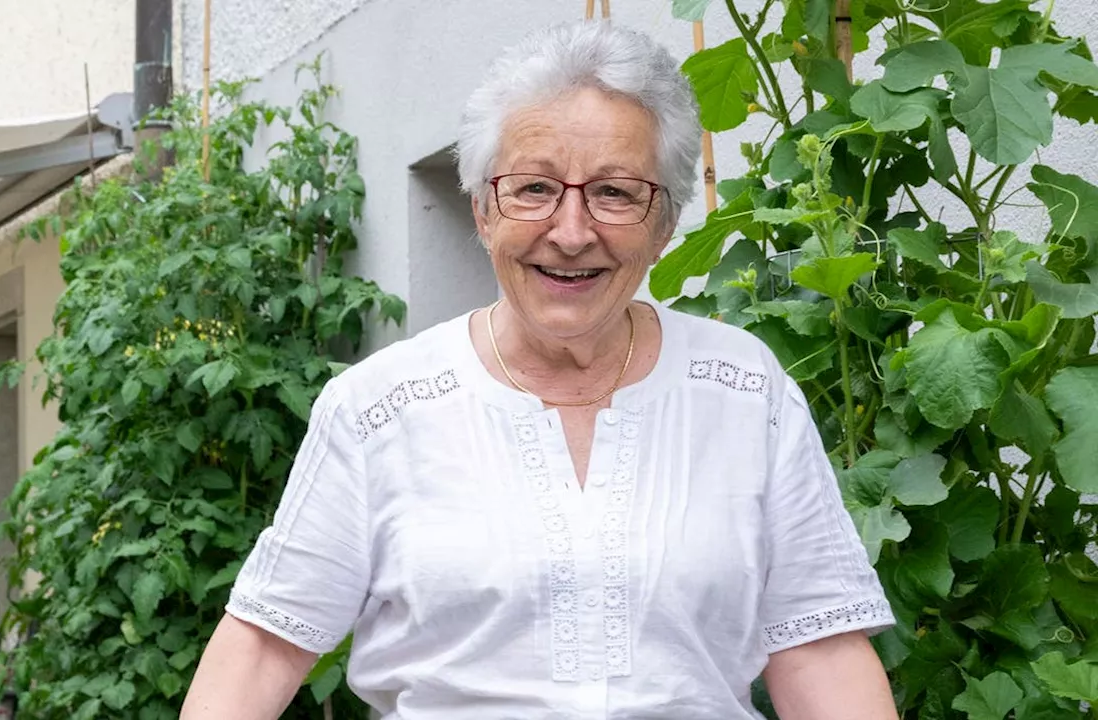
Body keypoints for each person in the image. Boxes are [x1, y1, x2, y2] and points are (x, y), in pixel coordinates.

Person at [182, 19, 898, 720]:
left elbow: (819, 652)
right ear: (483, 210)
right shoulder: (379, 410)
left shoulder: (745, 393)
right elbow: (265, 647)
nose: (572, 230)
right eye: (533, 188)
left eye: (616, 192)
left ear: (665, 225)